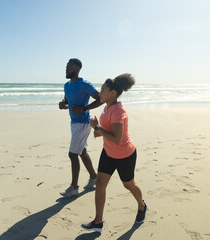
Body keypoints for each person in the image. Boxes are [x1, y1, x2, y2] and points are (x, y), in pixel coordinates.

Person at [81, 73, 147, 232]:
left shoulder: (118, 111)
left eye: (103, 90)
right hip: (108, 153)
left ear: (112, 93)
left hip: (125, 155)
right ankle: (98, 222)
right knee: (100, 186)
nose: (100, 92)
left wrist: (97, 128)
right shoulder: (106, 107)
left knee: (129, 185)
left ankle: (142, 206)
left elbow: (117, 139)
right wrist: (97, 129)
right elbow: (106, 132)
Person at [59, 58, 103, 197]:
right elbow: (67, 103)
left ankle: (74, 187)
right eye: (66, 67)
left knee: (72, 154)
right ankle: (94, 177)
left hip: (83, 123)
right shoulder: (66, 85)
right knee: (82, 152)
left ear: (77, 69)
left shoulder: (84, 84)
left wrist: (84, 108)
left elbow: (100, 99)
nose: (67, 69)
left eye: (70, 67)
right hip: (73, 123)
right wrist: (63, 106)